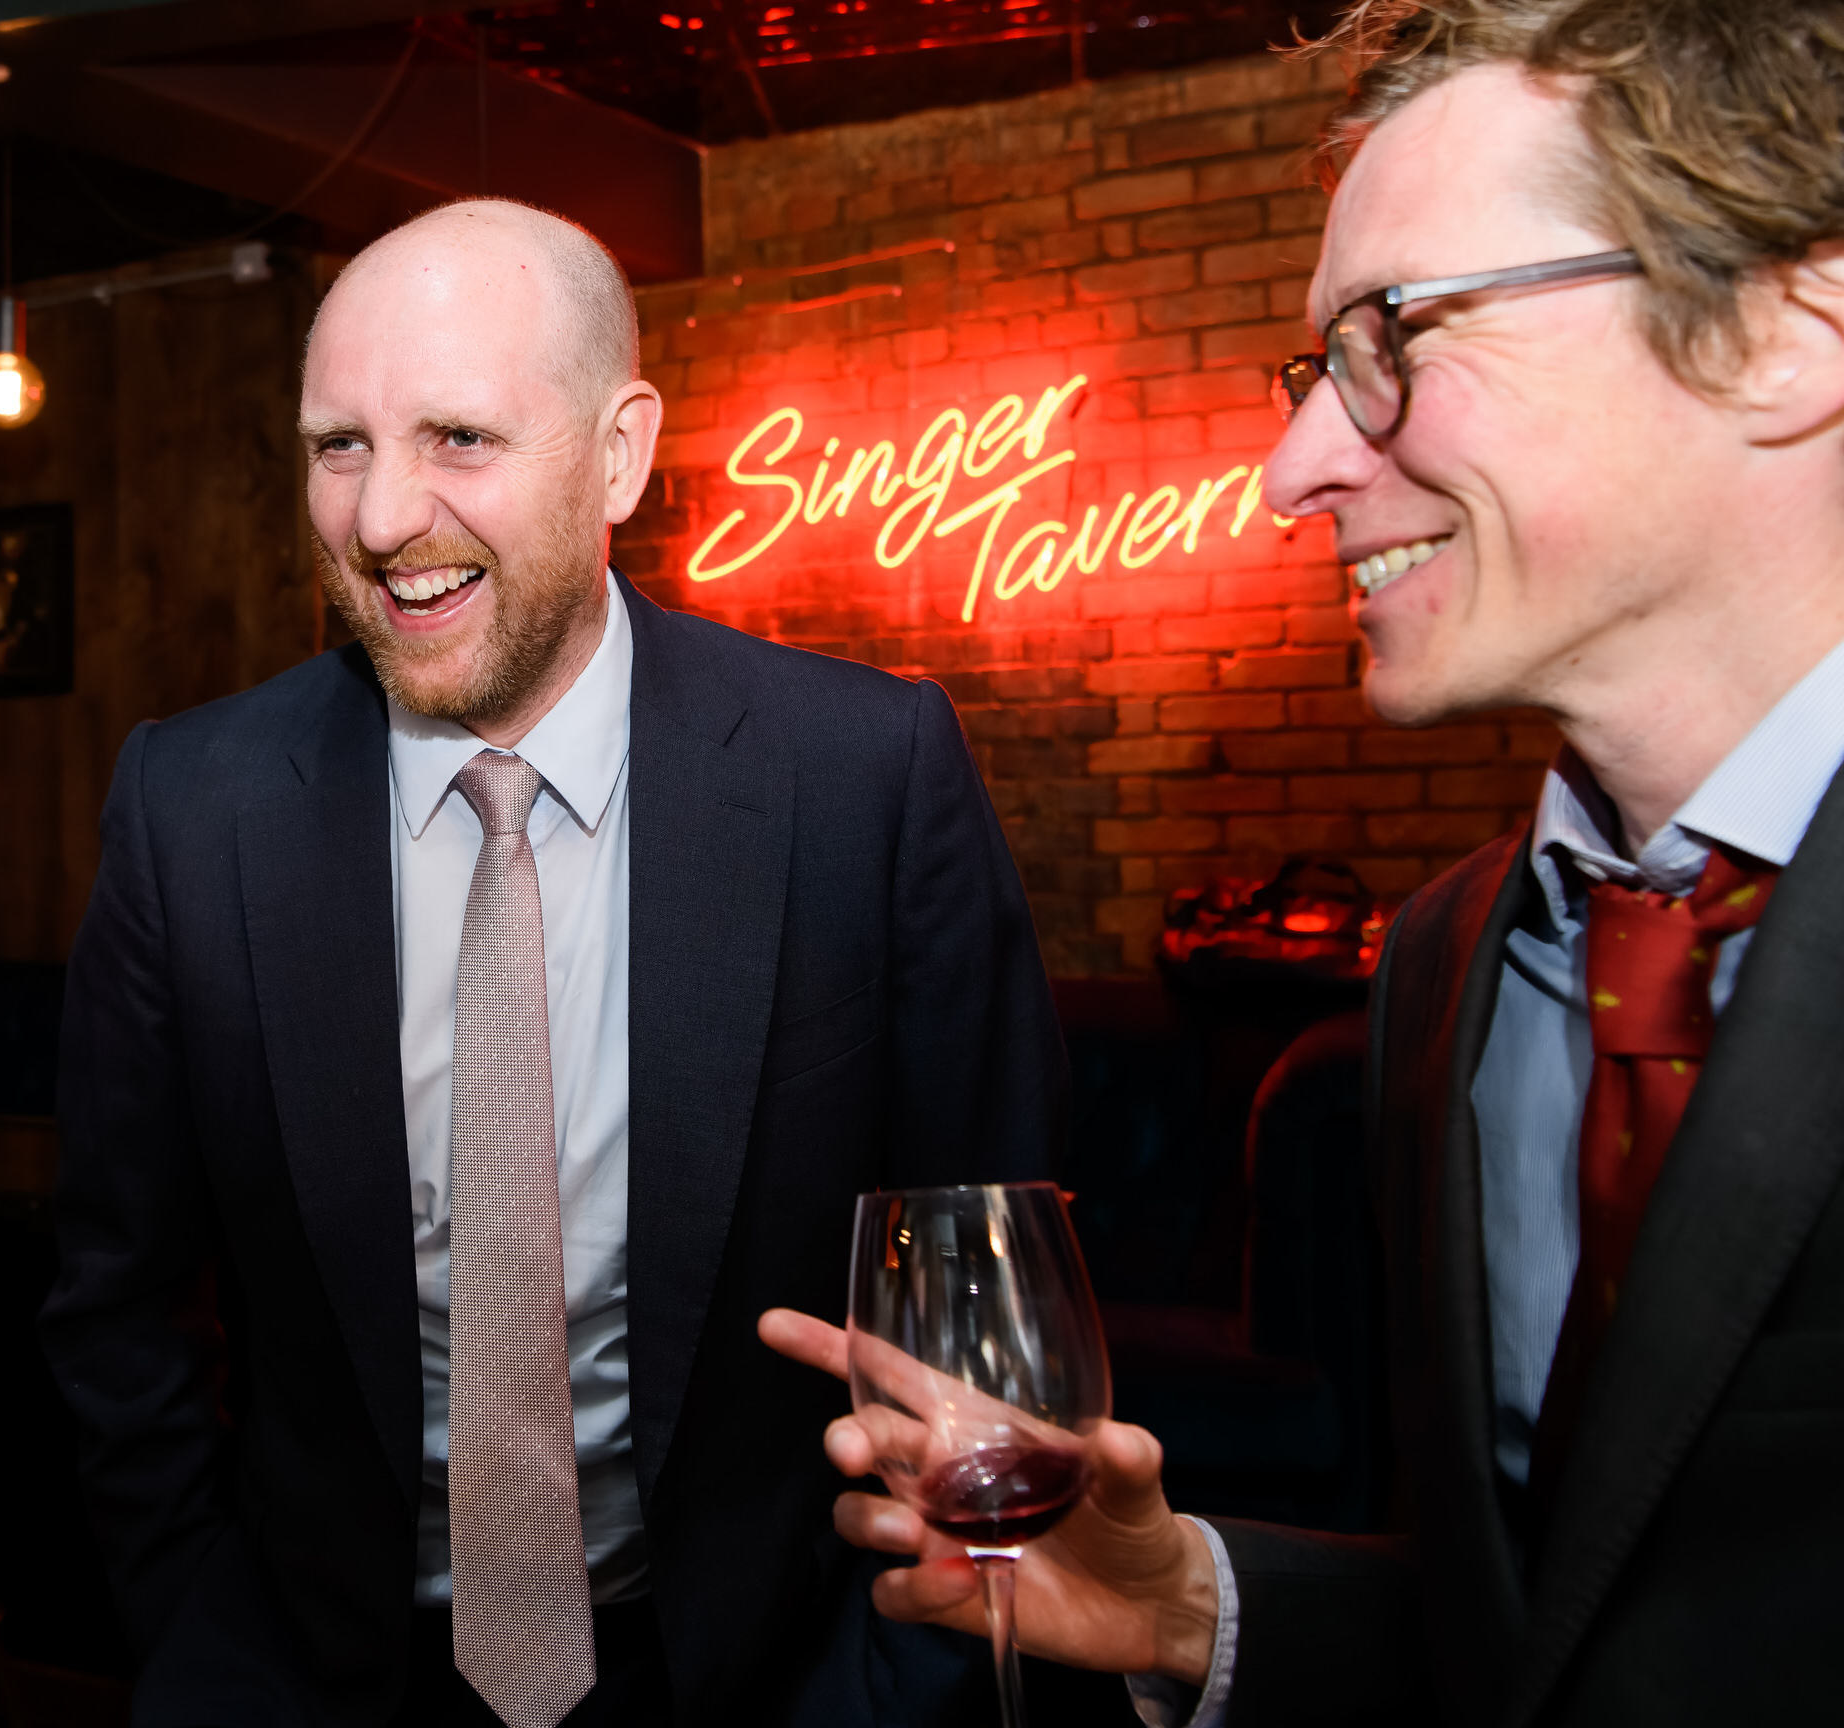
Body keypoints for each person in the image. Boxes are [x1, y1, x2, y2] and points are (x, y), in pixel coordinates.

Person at [764, 0, 1844, 1722]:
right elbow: (1562, 1624)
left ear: (1785, 333)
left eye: (1393, 336)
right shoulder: (1451, 972)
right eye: (1315, 371)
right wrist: (1192, 1605)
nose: (1294, 469)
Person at [42, 198, 1067, 1727]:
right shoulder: (193, 809)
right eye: (339, 446)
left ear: (620, 453)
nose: (382, 517)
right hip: (322, 1675)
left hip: (763, 1676)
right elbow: (117, 1296)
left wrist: (898, 1683)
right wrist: (200, 1644)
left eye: (459, 437)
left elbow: (993, 1303)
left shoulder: (865, 776)